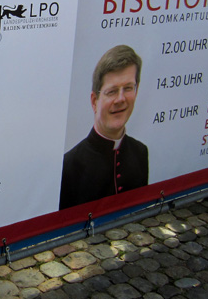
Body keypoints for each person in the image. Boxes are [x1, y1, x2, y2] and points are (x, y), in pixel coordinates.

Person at [59, 45, 148, 210]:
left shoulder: (140, 152)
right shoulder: (69, 166)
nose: (121, 99)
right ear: (94, 101)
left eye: (128, 88)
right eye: (112, 91)